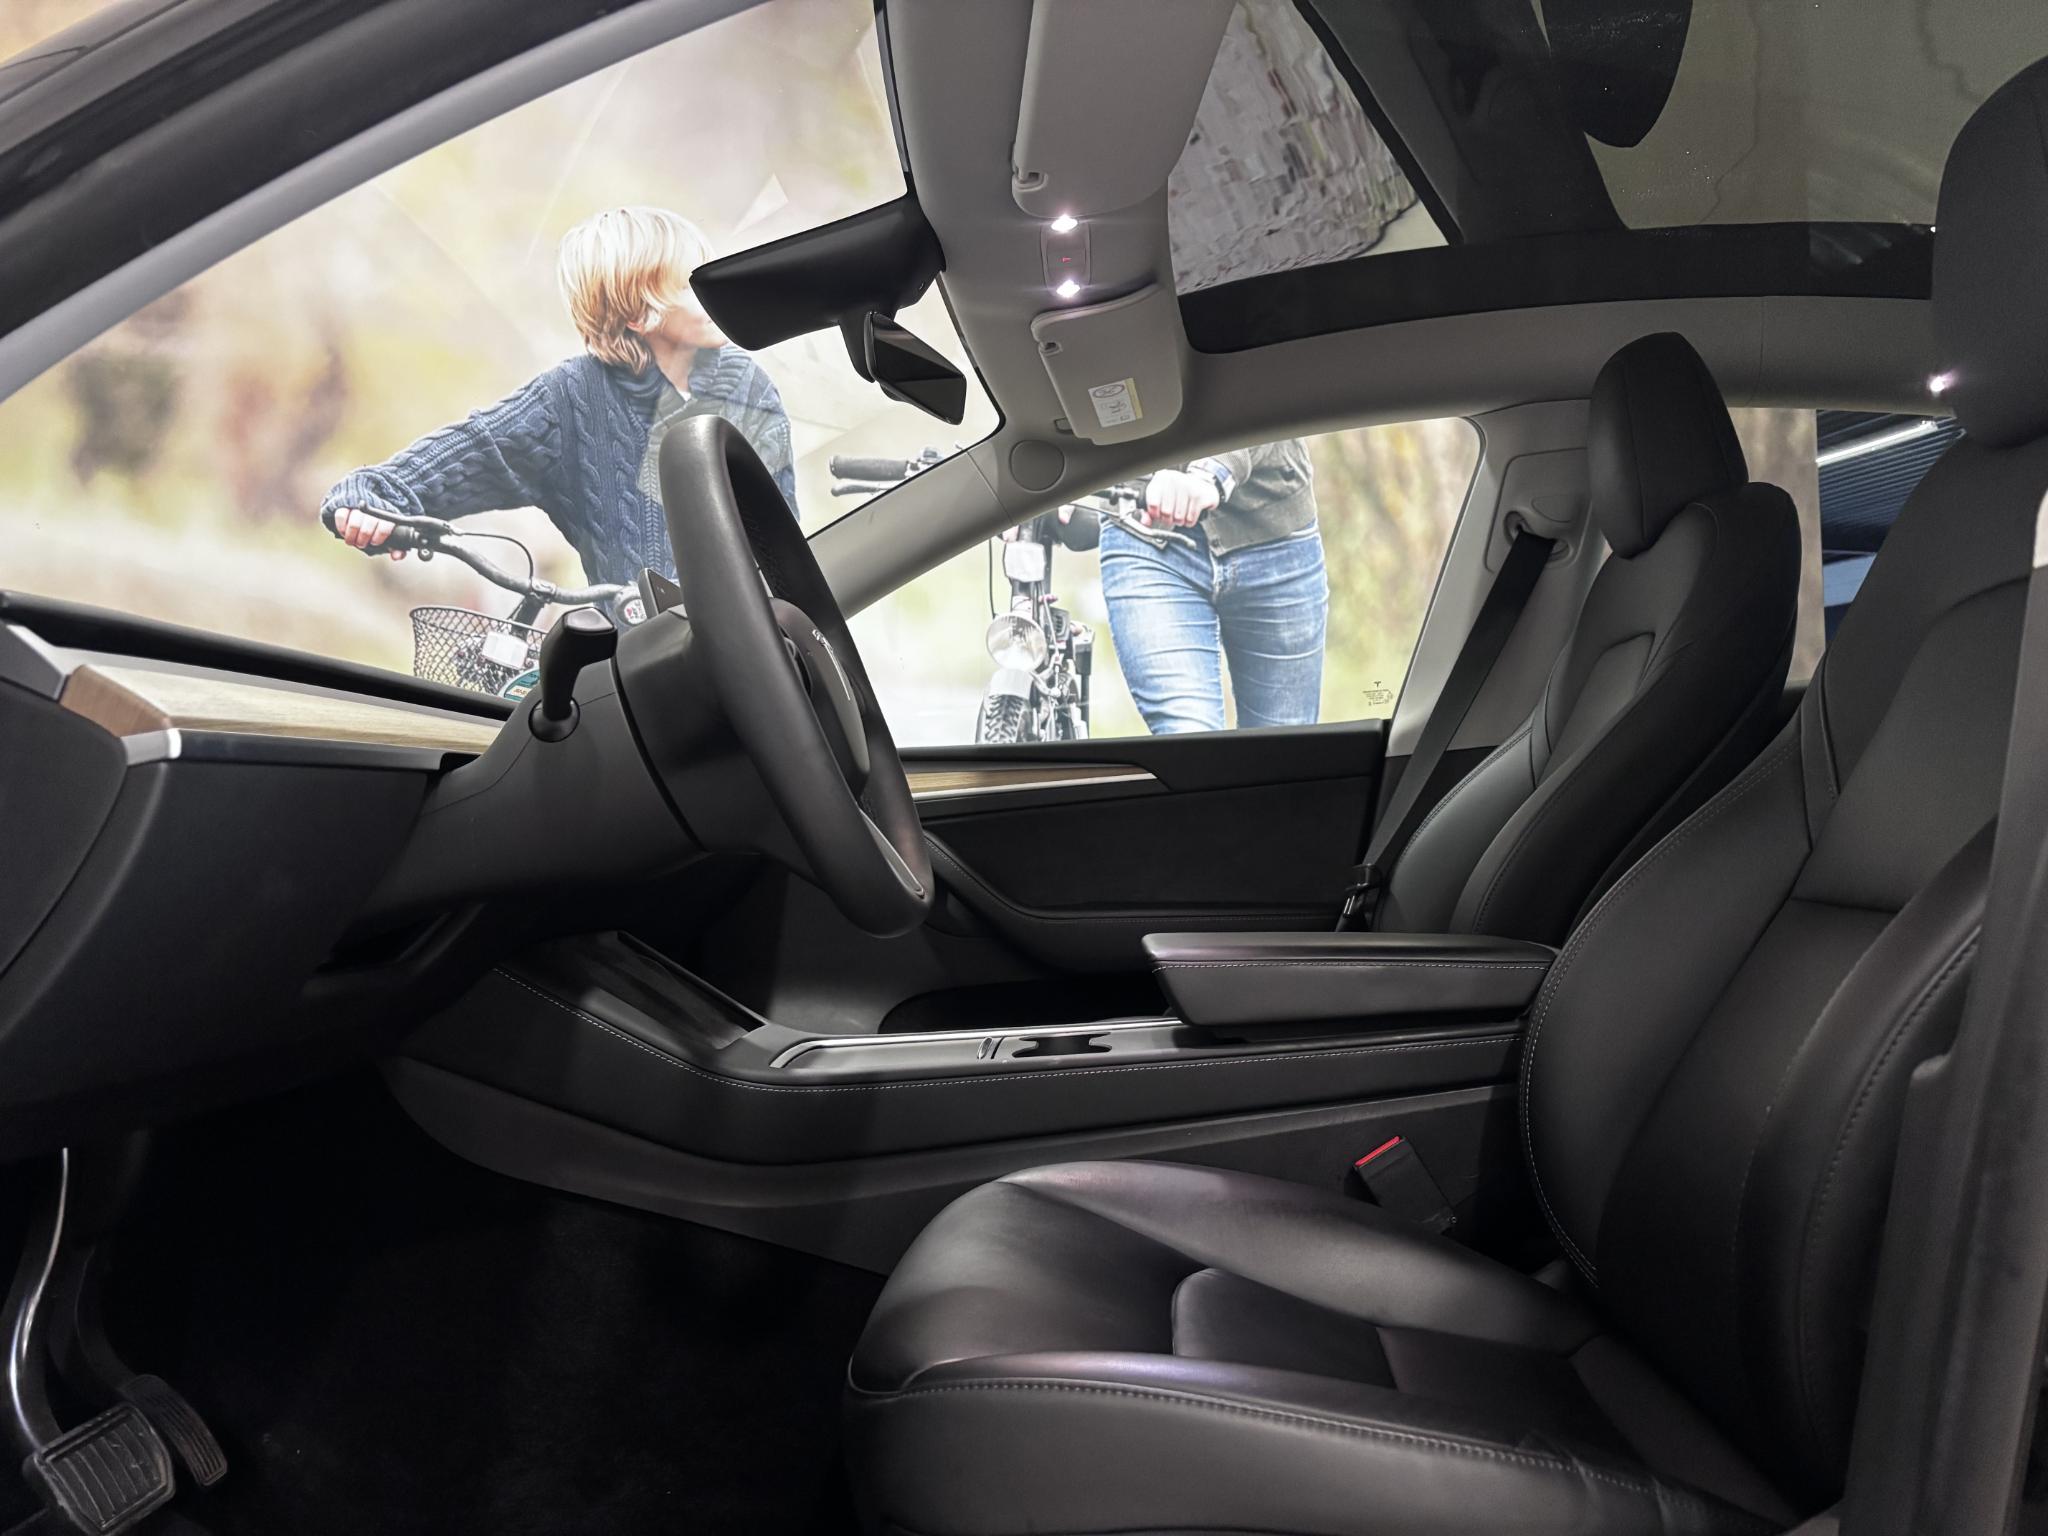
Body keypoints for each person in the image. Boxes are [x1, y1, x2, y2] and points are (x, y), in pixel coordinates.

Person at [322, 206, 795, 586]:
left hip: (765, 640)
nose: (712, 294)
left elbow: (786, 544)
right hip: (650, 657)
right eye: (691, 285)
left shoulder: (747, 386)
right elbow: (462, 454)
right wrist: (365, 501)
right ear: (638, 314)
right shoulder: (570, 399)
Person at [1099, 439, 1328, 734]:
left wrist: (1211, 474)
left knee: (1283, 748)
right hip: (1146, 533)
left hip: (1274, 532)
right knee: (1187, 733)